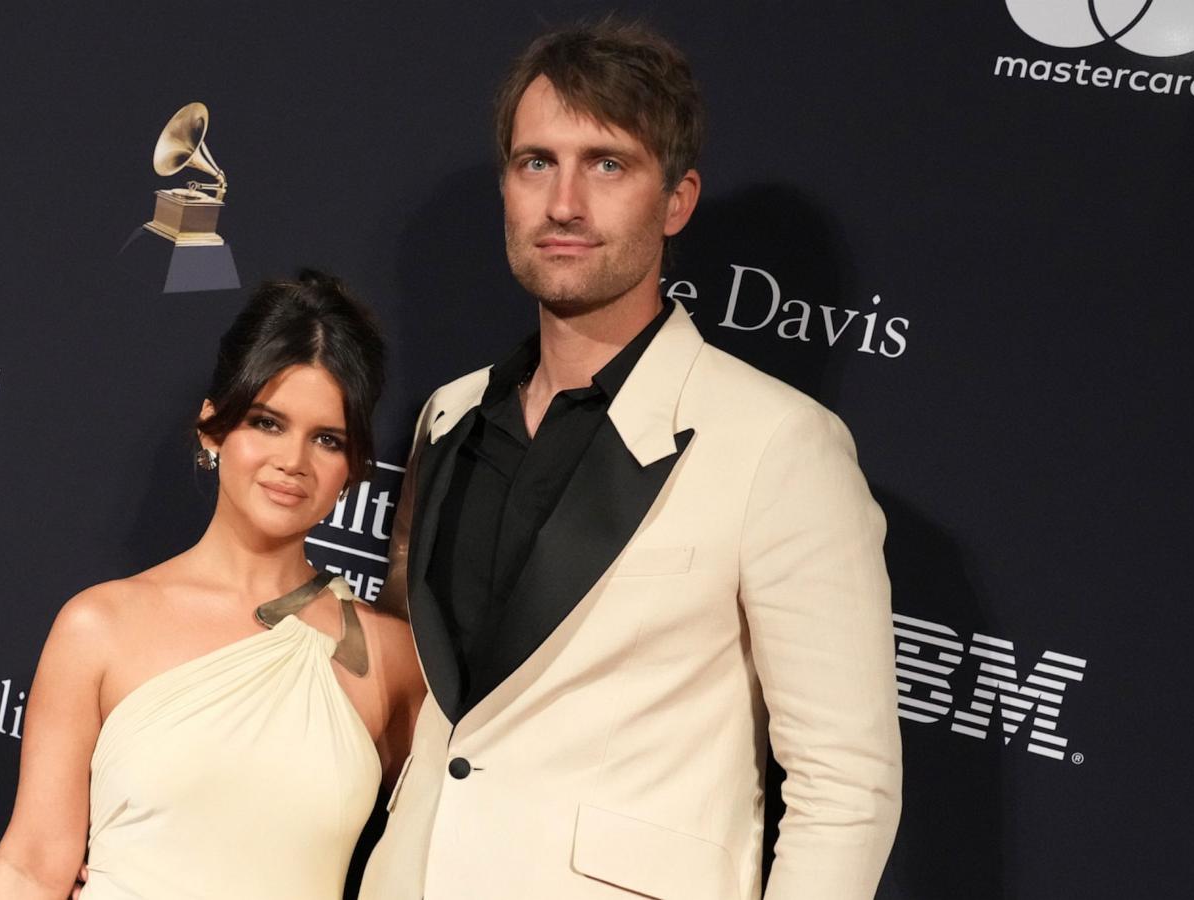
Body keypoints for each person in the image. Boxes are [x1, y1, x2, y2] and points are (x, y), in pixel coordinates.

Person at [360, 21, 902, 900]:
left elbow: (847, 788)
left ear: (677, 199)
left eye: (607, 164)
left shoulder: (779, 445)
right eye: (537, 162)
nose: (564, 202)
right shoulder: (450, 415)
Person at [0, 270, 425, 900]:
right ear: (214, 427)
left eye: (326, 439)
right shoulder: (99, 626)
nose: (293, 461)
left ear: (353, 468)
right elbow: (30, 866)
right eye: (268, 423)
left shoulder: (391, 659)